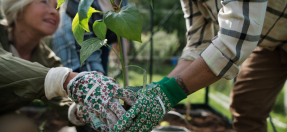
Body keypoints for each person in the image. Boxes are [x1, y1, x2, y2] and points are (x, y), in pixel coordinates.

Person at [114, 0, 287, 132]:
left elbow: (235, 40)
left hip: (259, 37)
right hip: (270, 45)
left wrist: (167, 93)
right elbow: (197, 45)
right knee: (247, 107)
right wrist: (157, 88)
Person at [0, 0, 136, 131]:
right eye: (43, 2)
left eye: (57, 7)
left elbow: (61, 100)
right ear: (18, 9)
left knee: (21, 126)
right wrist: (68, 79)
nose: (54, 12)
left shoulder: (46, 58)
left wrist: (84, 112)